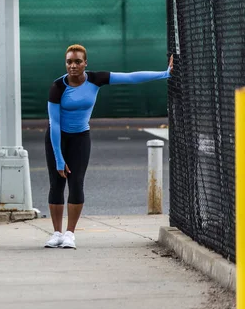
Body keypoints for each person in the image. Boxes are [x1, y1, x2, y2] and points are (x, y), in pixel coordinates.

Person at [45, 44, 173, 249]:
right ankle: (57, 233)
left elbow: (130, 77)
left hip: (80, 138)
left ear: (85, 63)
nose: (73, 65)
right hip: (57, 138)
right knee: (56, 184)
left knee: (76, 182)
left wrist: (164, 74)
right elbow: (54, 124)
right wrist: (59, 158)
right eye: (69, 61)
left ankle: (70, 234)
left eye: (78, 61)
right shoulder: (58, 87)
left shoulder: (96, 79)